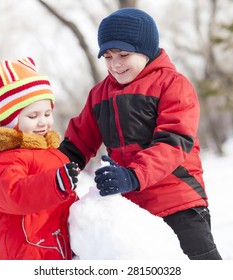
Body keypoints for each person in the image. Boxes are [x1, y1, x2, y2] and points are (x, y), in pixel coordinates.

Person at [58, 8, 222, 260]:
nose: (115, 64)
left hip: (178, 202)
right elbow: (78, 142)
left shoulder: (172, 84)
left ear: (146, 50)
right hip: (133, 209)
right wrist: (58, 168)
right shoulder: (99, 94)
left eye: (123, 54)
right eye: (108, 56)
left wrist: (134, 175)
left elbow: (174, 141)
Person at [0, 57, 79, 260]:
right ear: (10, 121)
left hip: (56, 248)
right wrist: (56, 183)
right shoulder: (4, 160)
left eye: (47, 113)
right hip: (27, 254)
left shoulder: (50, 152)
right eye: (32, 117)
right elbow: (14, 193)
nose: (42, 122)